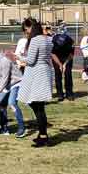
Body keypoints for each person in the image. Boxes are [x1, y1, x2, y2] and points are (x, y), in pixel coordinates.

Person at [18, 18, 54, 147]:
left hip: (36, 75)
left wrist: (20, 57)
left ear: (30, 27)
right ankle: (42, 134)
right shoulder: (47, 39)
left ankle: (43, 136)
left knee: (37, 106)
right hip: (44, 72)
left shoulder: (35, 40)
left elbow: (31, 60)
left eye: (26, 29)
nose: (26, 33)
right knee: (38, 106)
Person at [51, 27, 75, 101]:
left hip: (67, 57)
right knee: (58, 74)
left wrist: (65, 64)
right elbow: (52, 54)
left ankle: (69, 93)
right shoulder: (53, 41)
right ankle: (60, 94)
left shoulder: (70, 41)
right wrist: (59, 64)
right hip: (56, 57)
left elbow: (71, 55)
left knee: (68, 74)